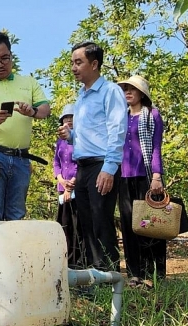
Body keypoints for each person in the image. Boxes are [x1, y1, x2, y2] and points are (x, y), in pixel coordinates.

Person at [0, 31, 51, 223]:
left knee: (16, 213)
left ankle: (14, 254)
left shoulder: (28, 82)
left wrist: (32, 112)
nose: (0, 64)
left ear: (11, 56)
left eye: (4, 58)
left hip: (21, 157)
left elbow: (45, 109)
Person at [58, 42, 127, 271]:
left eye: (79, 62)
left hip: (101, 165)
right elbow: (91, 133)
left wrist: (109, 167)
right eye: (72, 63)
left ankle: (109, 275)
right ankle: (93, 274)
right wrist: (71, 135)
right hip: (84, 166)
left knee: (101, 221)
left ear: (94, 64)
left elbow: (117, 129)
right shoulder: (82, 96)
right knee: (85, 223)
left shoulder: (110, 91)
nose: (74, 68)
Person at [116, 75, 166, 285]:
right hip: (123, 176)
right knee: (128, 225)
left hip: (145, 176)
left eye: (132, 89)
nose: (127, 92)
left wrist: (156, 176)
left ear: (142, 93)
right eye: (125, 89)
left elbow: (155, 147)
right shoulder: (121, 117)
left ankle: (154, 273)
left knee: (150, 224)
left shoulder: (152, 115)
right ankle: (134, 273)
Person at [53, 104, 84, 268]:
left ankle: (77, 262)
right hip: (62, 188)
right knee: (64, 226)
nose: (69, 120)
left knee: (77, 226)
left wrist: (70, 186)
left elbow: (82, 163)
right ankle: (64, 261)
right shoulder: (60, 141)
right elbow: (56, 163)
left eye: (71, 117)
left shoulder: (80, 139)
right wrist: (60, 180)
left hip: (76, 188)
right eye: (66, 118)